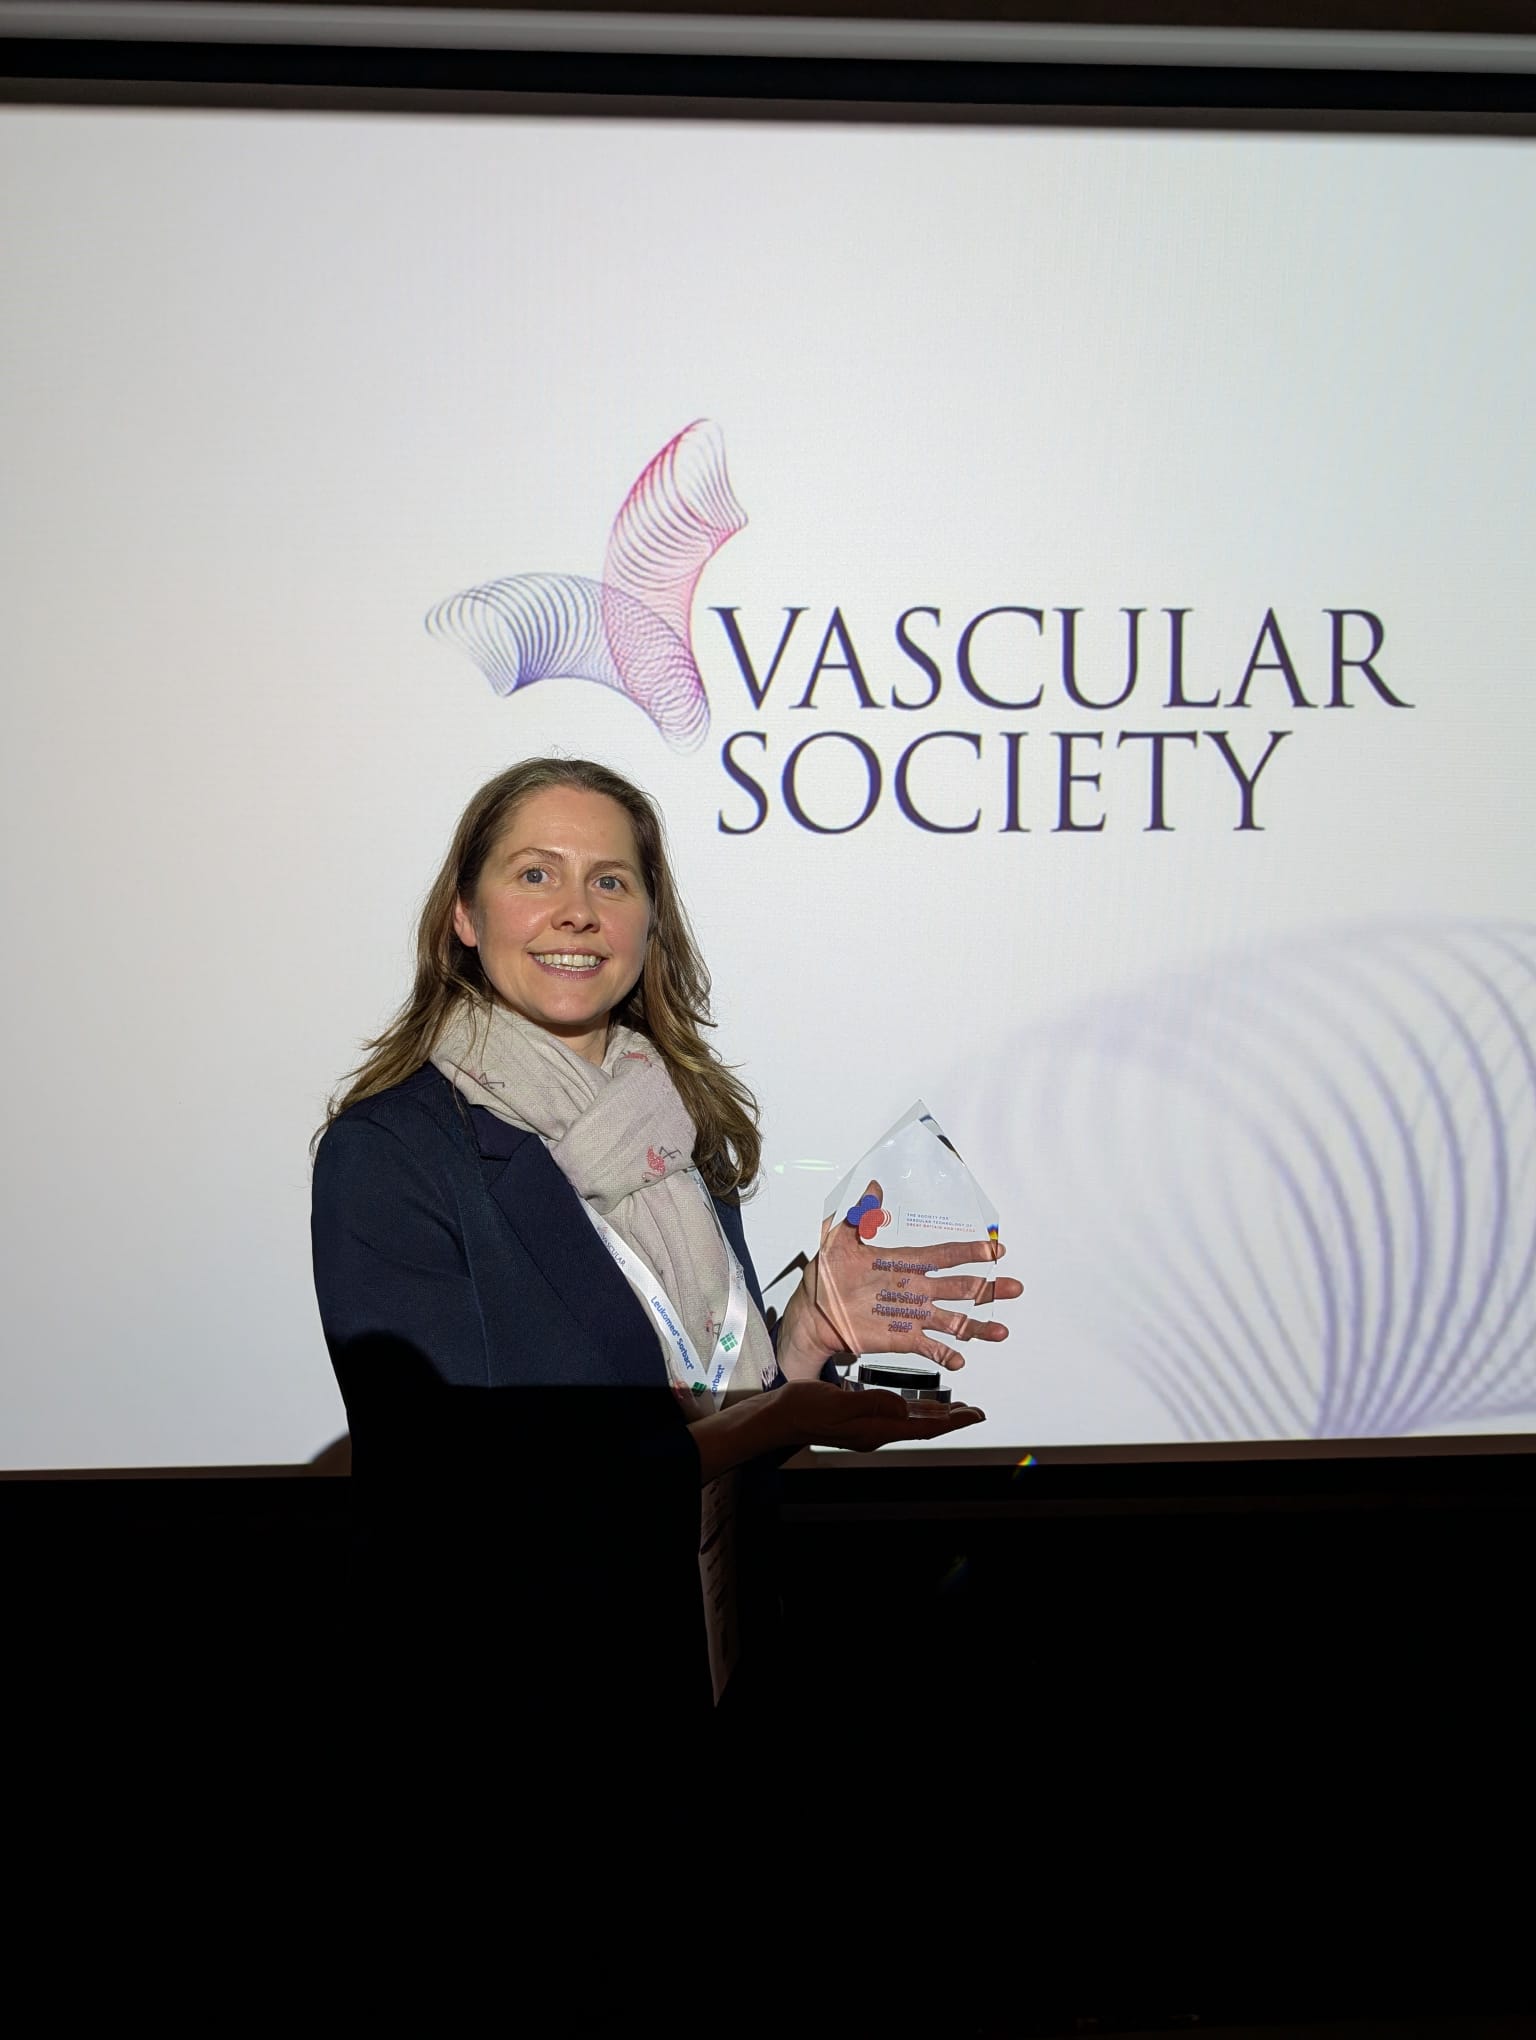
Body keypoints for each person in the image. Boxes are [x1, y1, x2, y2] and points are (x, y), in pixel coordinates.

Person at [310, 756, 1019, 1713]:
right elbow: (458, 1487)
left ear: (650, 923)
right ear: (465, 917)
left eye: (611, 881)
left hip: (712, 1664)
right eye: (535, 874)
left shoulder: (670, 1124)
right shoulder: (393, 1152)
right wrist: (773, 1420)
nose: (576, 911)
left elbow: (693, 1401)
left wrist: (804, 1337)